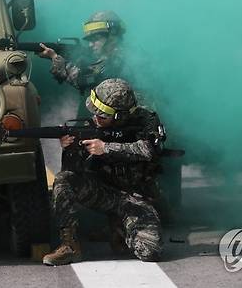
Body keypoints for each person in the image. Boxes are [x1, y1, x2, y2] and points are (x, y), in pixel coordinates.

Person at [42, 78, 165, 266]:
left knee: (150, 250)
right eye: (94, 113)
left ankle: (119, 228)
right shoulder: (92, 127)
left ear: (119, 116)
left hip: (137, 198)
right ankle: (69, 246)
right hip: (105, 194)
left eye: (102, 116)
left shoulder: (146, 120)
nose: (95, 119)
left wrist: (106, 148)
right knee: (64, 180)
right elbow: (73, 172)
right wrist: (70, 148)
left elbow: (150, 149)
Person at [38, 10, 125, 95]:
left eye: (95, 39)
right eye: (90, 40)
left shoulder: (119, 60)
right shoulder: (108, 56)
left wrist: (55, 58)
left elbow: (84, 81)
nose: (90, 45)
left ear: (112, 37)